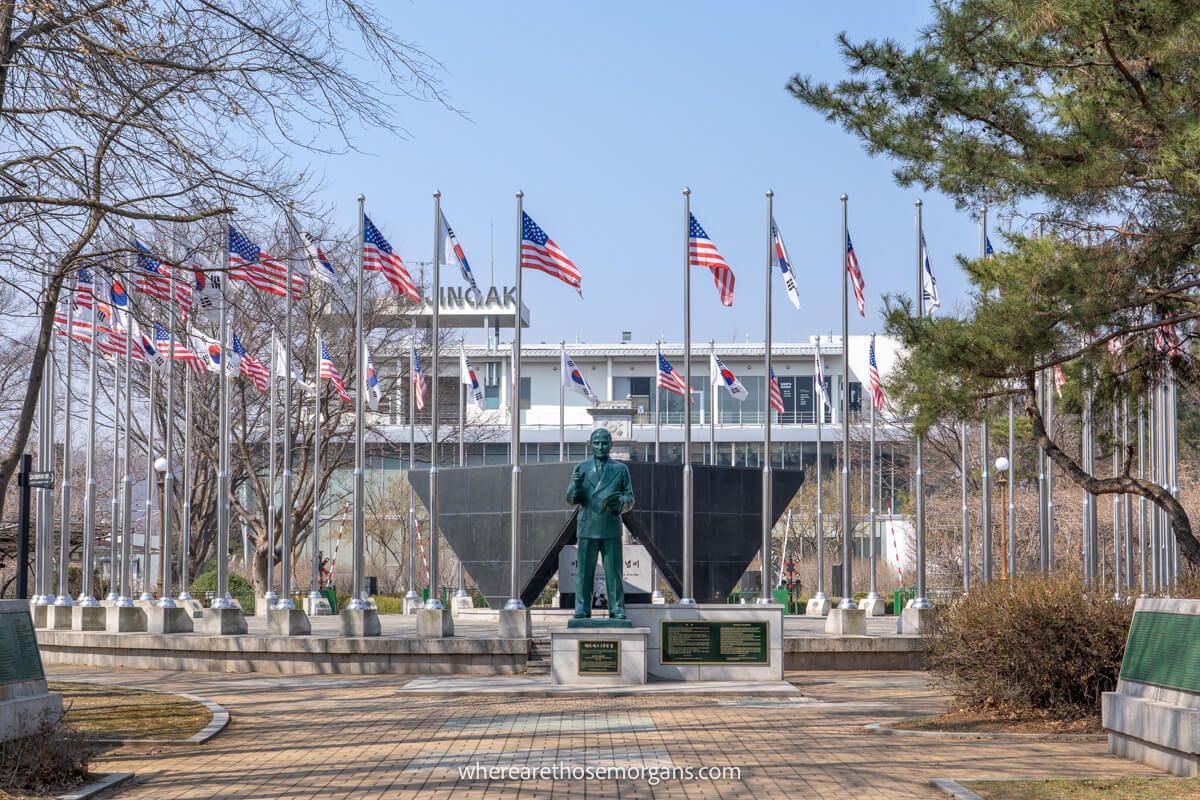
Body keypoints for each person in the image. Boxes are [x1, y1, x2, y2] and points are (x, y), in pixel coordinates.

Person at [565, 428, 635, 620]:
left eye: (605, 443)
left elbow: (630, 497)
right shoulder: (581, 468)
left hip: (610, 525)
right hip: (588, 526)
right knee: (584, 572)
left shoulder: (620, 469)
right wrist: (578, 486)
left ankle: (617, 608)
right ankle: (581, 608)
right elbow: (571, 498)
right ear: (590, 444)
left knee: (614, 573)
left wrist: (620, 503)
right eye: (596, 443)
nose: (601, 446)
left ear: (611, 445)